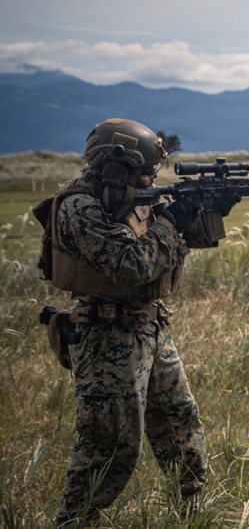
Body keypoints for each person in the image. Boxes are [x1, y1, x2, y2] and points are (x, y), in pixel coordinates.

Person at [36, 118, 237, 526]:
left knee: (180, 423)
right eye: (145, 171)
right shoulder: (79, 208)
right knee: (110, 445)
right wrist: (172, 219)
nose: (152, 178)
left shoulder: (133, 198)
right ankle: (75, 521)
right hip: (106, 337)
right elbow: (130, 265)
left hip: (150, 328)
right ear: (112, 167)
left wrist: (211, 210)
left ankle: (191, 514)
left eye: (154, 170)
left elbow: (178, 242)